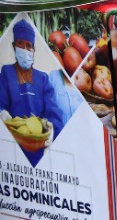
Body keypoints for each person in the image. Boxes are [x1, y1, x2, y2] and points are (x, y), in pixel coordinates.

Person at [0, 19, 67, 165]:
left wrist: (52, 129)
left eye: (28, 46)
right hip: (11, 147)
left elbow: (54, 112)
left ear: (33, 50)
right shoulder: (6, 73)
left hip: (38, 149)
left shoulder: (43, 79)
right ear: (13, 46)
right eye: (20, 44)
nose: (24, 49)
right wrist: (3, 114)